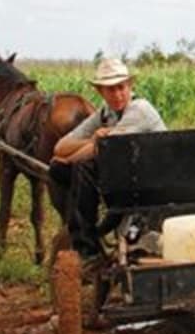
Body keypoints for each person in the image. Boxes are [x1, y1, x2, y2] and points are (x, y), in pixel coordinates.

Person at [51, 58, 166, 258]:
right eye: (110, 90)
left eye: (121, 87)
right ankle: (90, 235)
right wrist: (92, 139)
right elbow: (60, 147)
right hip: (127, 178)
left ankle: (87, 246)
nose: (117, 94)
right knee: (60, 169)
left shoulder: (139, 110)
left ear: (130, 86)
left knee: (80, 167)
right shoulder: (105, 114)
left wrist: (69, 159)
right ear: (100, 92)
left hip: (152, 180)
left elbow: (103, 150)